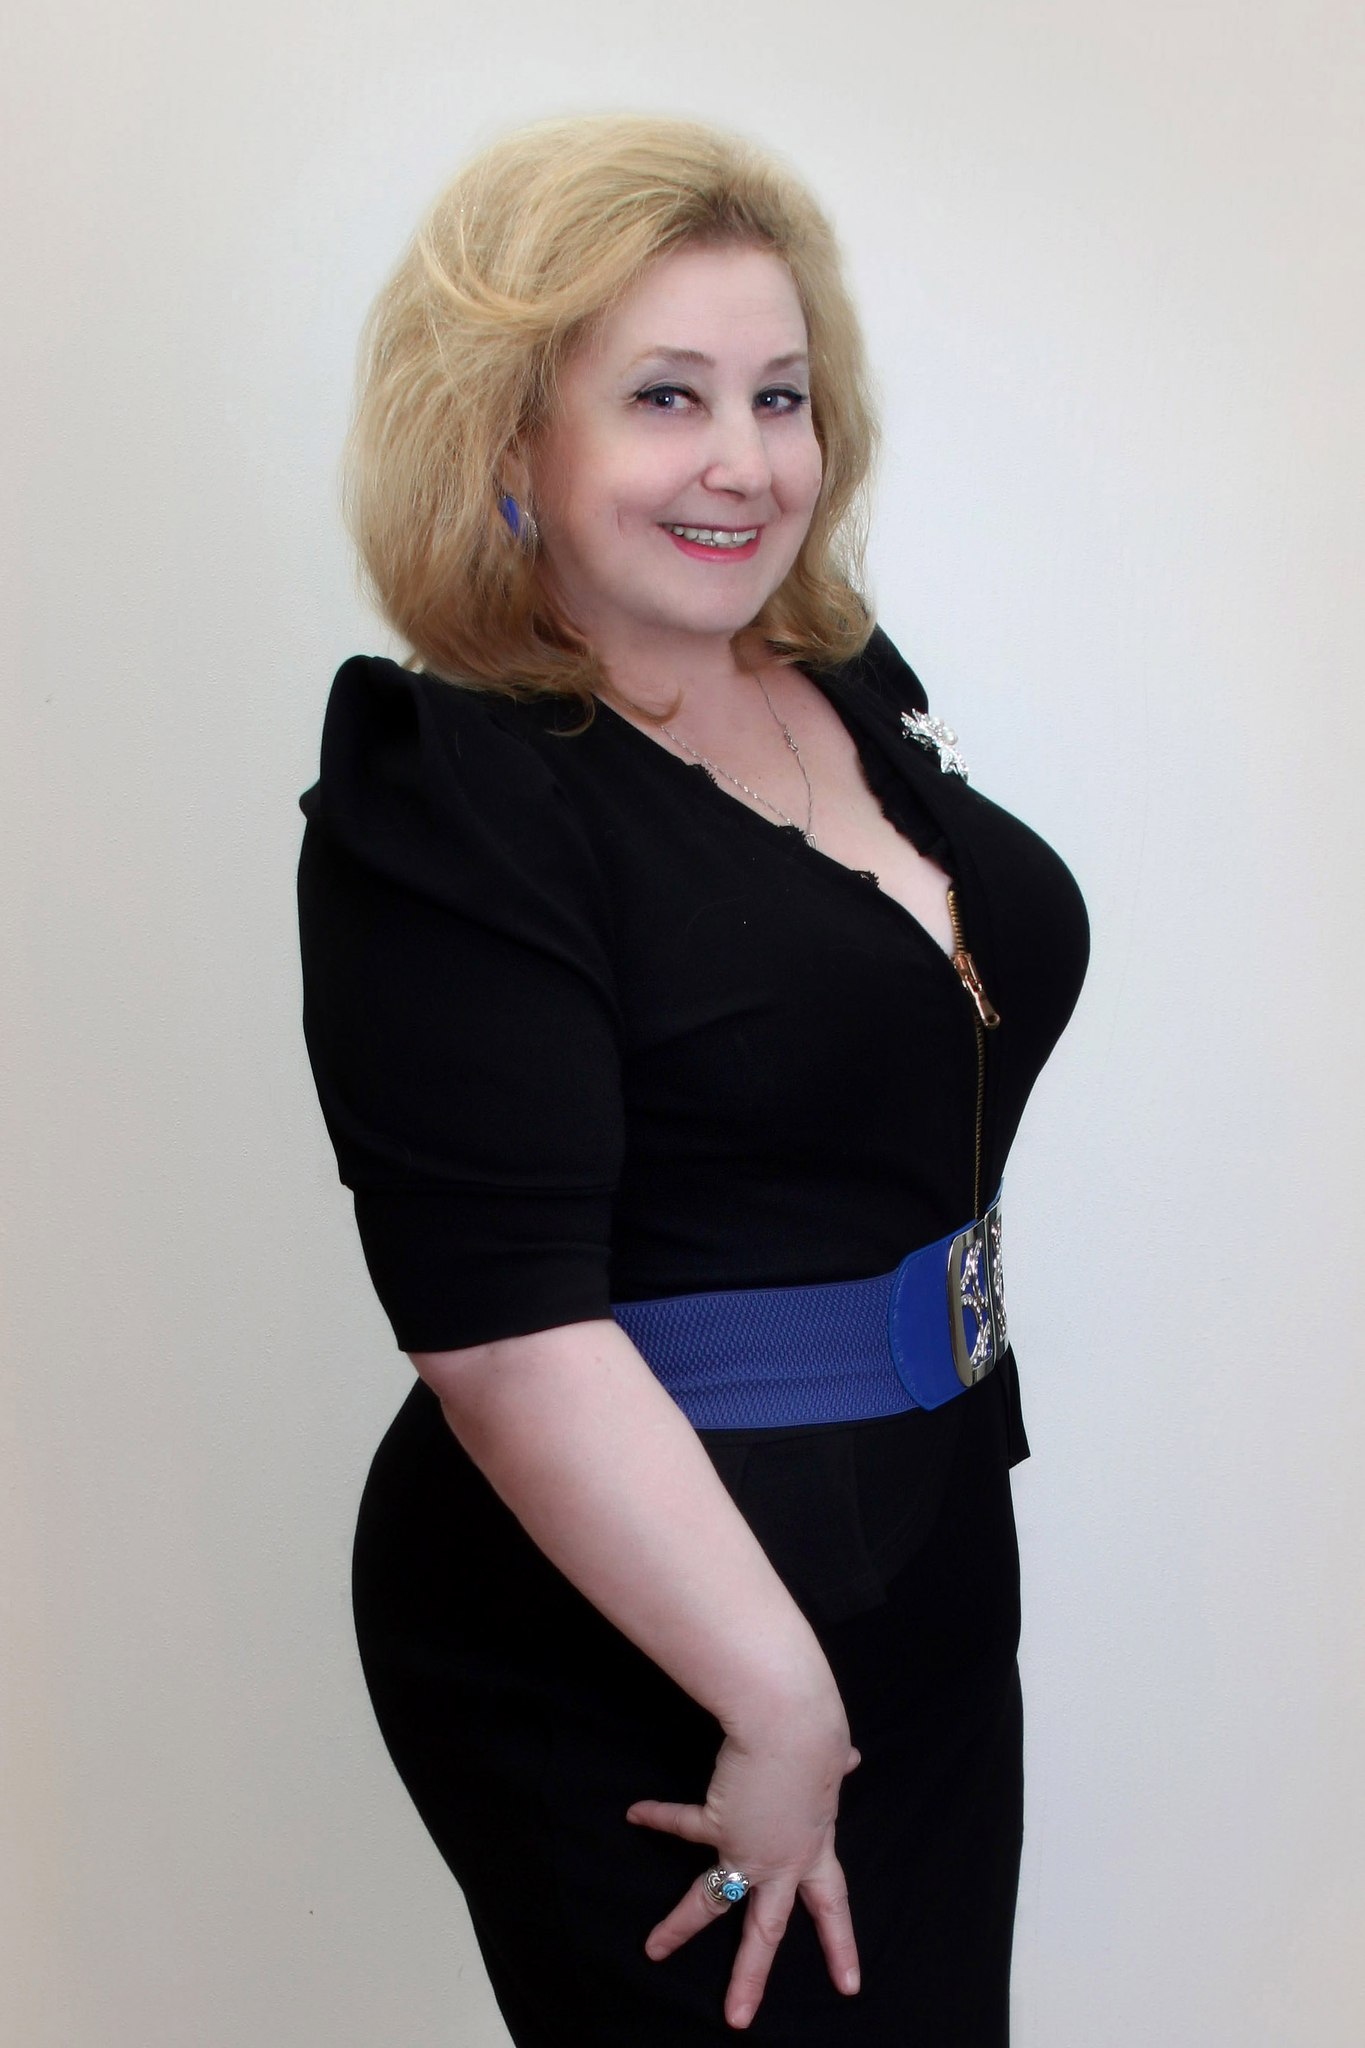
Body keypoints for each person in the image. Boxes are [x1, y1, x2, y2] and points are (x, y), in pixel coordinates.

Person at [297, 113, 1089, 2046]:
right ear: (509, 440)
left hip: (920, 1550)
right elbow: (503, 1341)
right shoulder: (454, 790)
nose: (744, 459)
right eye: (665, 396)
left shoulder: (844, 685)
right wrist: (775, 1696)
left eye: (778, 395)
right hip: (642, 1634)